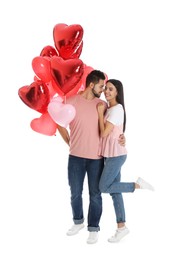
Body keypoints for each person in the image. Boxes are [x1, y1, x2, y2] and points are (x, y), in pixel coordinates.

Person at [57, 70, 126, 244]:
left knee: (95, 194)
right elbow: (60, 124)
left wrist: (122, 138)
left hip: (97, 158)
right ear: (91, 85)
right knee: (75, 193)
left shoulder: (102, 104)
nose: (103, 90)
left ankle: (93, 228)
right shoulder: (71, 101)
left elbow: (114, 125)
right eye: (102, 86)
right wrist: (70, 143)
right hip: (75, 157)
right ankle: (78, 222)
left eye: (106, 87)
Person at [97, 79, 154, 243]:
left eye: (111, 89)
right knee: (115, 192)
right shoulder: (110, 108)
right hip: (111, 154)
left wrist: (100, 114)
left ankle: (137, 185)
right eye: (106, 89)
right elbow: (115, 132)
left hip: (116, 155)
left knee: (103, 187)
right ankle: (122, 227)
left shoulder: (116, 110)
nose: (107, 91)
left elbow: (104, 133)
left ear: (117, 93)